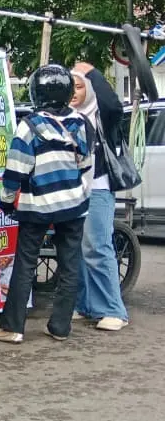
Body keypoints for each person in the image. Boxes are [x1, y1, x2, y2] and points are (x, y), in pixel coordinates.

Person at [0, 65, 93, 344]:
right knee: (70, 265)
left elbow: (15, 172)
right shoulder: (81, 123)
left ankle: (13, 328)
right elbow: (85, 165)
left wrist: (7, 202)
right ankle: (60, 327)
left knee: (26, 264)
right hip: (73, 205)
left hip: (36, 206)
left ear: (37, 92)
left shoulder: (30, 126)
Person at [70, 63, 131, 332]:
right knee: (77, 250)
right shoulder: (68, 116)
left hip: (97, 187)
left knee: (97, 247)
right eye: (70, 87)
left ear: (90, 89)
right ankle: (85, 305)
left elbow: (114, 106)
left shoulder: (102, 116)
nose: (73, 92)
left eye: (79, 86)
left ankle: (113, 310)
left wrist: (93, 73)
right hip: (72, 191)